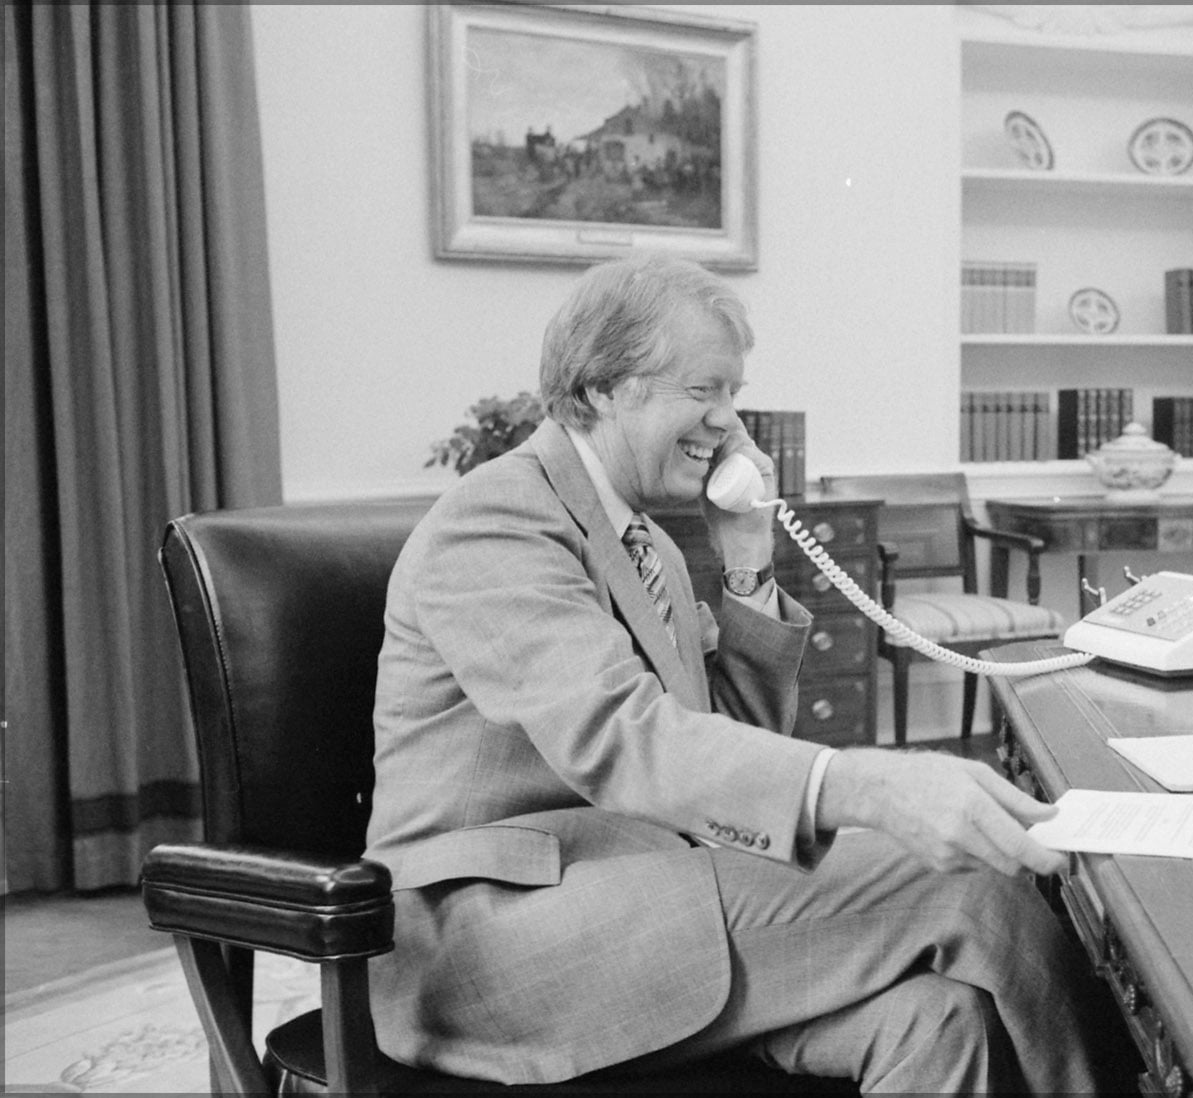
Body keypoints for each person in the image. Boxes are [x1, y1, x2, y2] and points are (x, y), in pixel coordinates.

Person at [364, 253, 1103, 1093]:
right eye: (703, 390)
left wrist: (748, 562)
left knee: (940, 1019)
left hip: (646, 895)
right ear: (603, 389)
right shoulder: (498, 517)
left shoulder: (650, 542)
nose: (728, 421)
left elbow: (721, 758)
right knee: (970, 885)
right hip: (492, 944)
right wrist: (873, 787)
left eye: (733, 393)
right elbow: (622, 738)